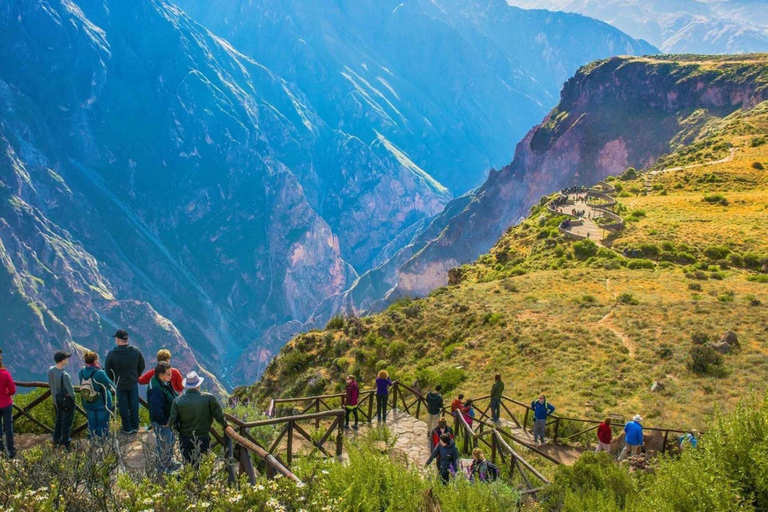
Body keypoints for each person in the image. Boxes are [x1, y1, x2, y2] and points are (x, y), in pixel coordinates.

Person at [168, 371, 228, 465]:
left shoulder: (177, 401)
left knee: (188, 465)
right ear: (198, 384)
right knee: (203, 465)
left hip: (185, 437)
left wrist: (179, 431)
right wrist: (225, 425)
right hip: (202, 436)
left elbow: (172, 422)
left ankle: (191, 479)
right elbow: (218, 415)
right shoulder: (209, 398)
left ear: (187, 385)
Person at [105, 329, 145, 434]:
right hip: (132, 382)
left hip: (120, 384)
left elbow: (107, 370)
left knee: (123, 405)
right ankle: (135, 426)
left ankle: (127, 428)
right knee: (134, 404)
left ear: (118, 340)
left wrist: (115, 380)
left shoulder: (112, 354)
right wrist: (136, 375)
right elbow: (142, 365)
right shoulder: (136, 351)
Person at [147, 362, 179, 473]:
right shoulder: (156, 389)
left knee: (169, 443)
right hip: (162, 423)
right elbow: (156, 409)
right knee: (164, 446)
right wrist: (164, 422)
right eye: (169, 374)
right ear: (161, 375)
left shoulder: (162, 382)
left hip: (167, 420)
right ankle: (162, 471)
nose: (171, 376)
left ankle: (169, 463)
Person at [78, 351, 115, 438]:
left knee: (92, 424)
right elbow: (110, 385)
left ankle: (92, 443)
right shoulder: (99, 373)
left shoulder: (81, 372)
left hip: (87, 402)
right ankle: (102, 445)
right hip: (101, 403)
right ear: (95, 361)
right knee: (102, 425)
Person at [48, 351, 76, 449]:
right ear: (63, 360)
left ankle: (56, 439)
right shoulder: (65, 375)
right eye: (66, 358)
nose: (68, 359)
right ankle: (66, 443)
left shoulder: (51, 370)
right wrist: (74, 401)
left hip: (56, 400)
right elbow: (72, 393)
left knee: (59, 420)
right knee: (66, 423)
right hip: (66, 403)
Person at [0, 349, 17, 458]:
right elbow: (12, 390)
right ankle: (11, 450)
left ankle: (1, 449)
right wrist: (7, 393)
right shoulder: (5, 374)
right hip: (6, 403)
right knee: (8, 427)